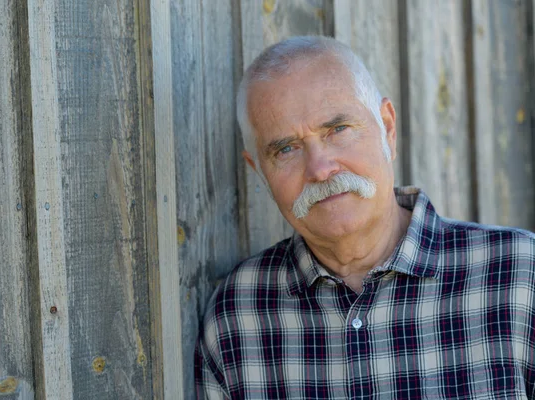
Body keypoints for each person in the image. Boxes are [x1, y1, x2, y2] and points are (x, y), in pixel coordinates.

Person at [194, 35, 535, 399]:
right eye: (287, 149)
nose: (321, 169)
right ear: (258, 171)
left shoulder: (519, 276)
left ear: (388, 128)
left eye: (338, 129)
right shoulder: (237, 315)